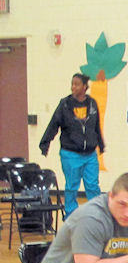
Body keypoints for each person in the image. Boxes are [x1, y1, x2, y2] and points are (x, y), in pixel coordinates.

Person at [39, 73, 104, 217]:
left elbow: (96, 126)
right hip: (70, 154)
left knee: (93, 185)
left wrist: (101, 144)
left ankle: (97, 215)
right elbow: (53, 124)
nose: (73, 87)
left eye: (77, 84)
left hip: (90, 154)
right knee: (71, 186)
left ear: (85, 87)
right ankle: (71, 216)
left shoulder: (92, 104)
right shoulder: (65, 104)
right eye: (72, 83)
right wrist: (45, 143)